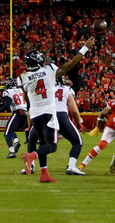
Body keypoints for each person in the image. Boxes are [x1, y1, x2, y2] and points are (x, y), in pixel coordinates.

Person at [20, 38, 95, 183]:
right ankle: (32, 156)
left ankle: (44, 173)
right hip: (48, 112)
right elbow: (69, 65)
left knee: (41, 142)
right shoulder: (49, 71)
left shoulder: (23, 77)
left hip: (35, 114)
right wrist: (84, 48)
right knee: (52, 146)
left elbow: (27, 99)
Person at [54, 77, 87, 175]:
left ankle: (31, 163)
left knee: (41, 142)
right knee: (77, 142)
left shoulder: (46, 89)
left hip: (45, 116)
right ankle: (71, 166)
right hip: (61, 116)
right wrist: (79, 123)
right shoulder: (66, 89)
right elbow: (74, 111)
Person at [0, 77, 27, 159]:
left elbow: (6, 105)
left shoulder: (8, 92)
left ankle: (12, 152)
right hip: (26, 113)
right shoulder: (21, 90)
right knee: (10, 129)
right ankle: (16, 141)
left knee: (7, 133)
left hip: (18, 113)